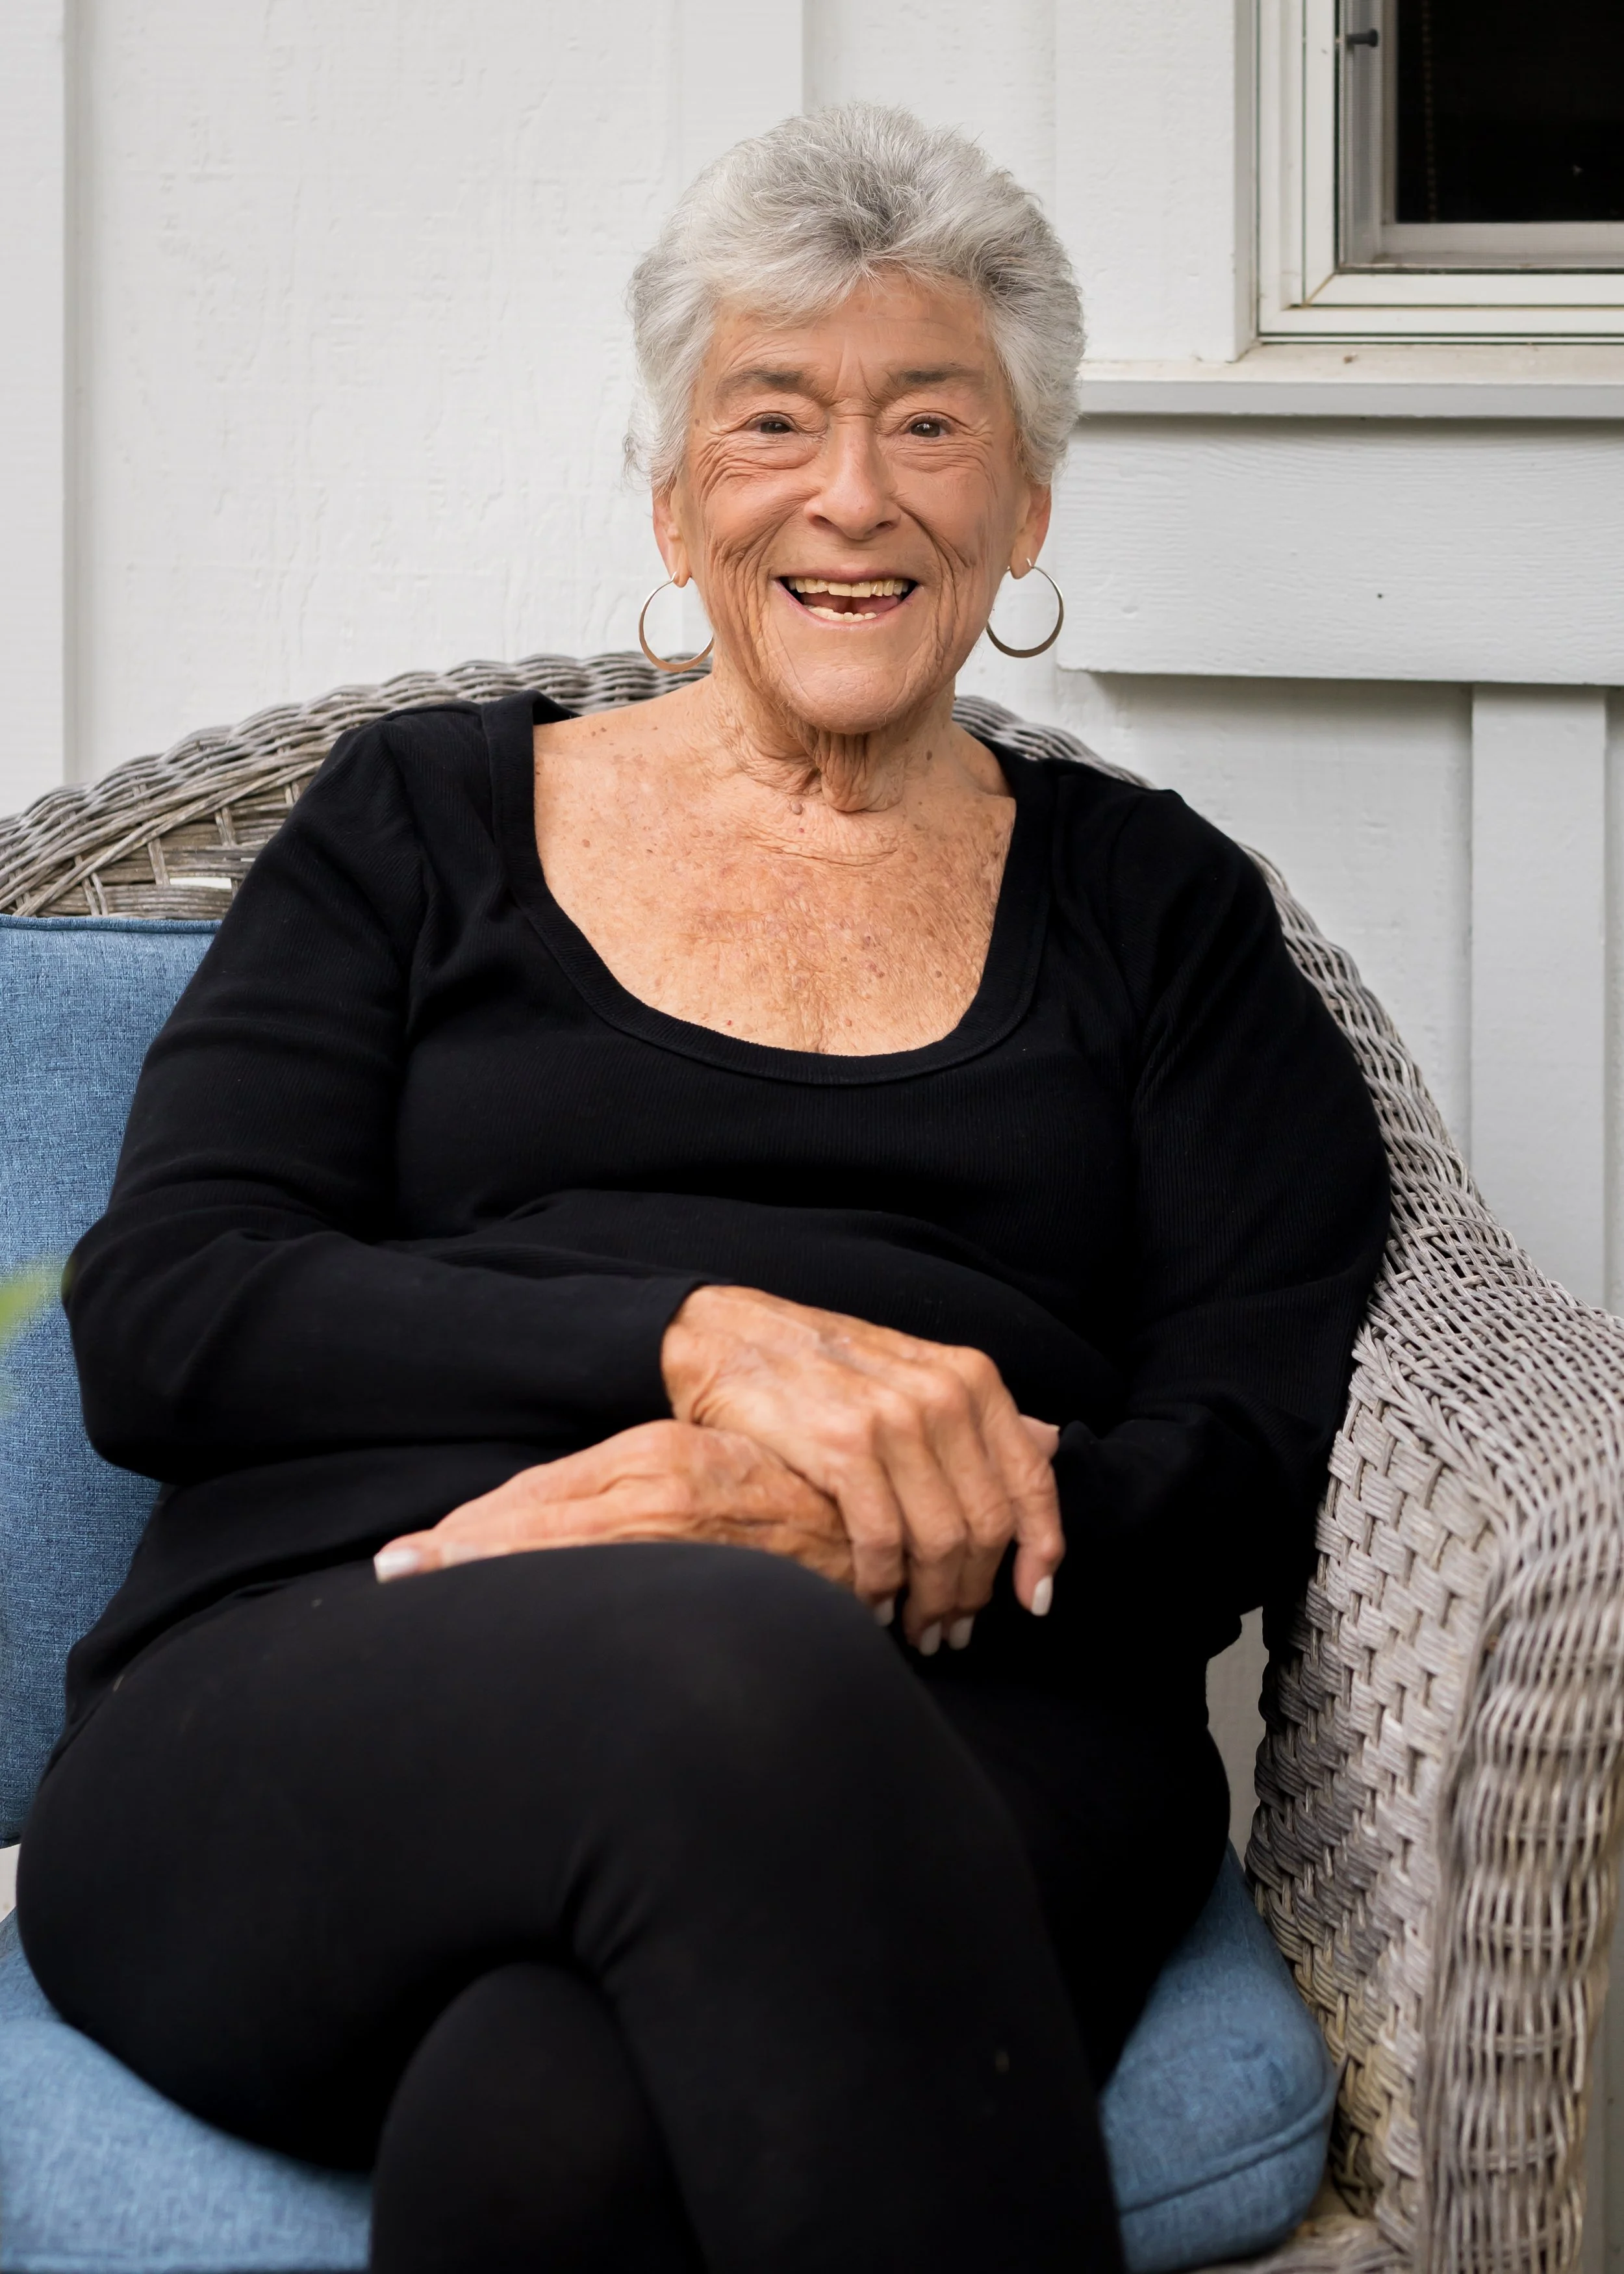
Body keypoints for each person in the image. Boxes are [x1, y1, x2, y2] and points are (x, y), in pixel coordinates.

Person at [18, 104, 1388, 2274]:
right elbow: (169, 1313)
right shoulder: (417, 827)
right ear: (673, 497)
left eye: (928, 421)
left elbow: (1239, 1465)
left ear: (1024, 502)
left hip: (973, 1716)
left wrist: (839, 1527)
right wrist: (696, 1348)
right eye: (774, 419)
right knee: (711, 1669)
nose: (850, 494)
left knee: (550, 2133)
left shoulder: (1164, 923)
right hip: (346, 1663)